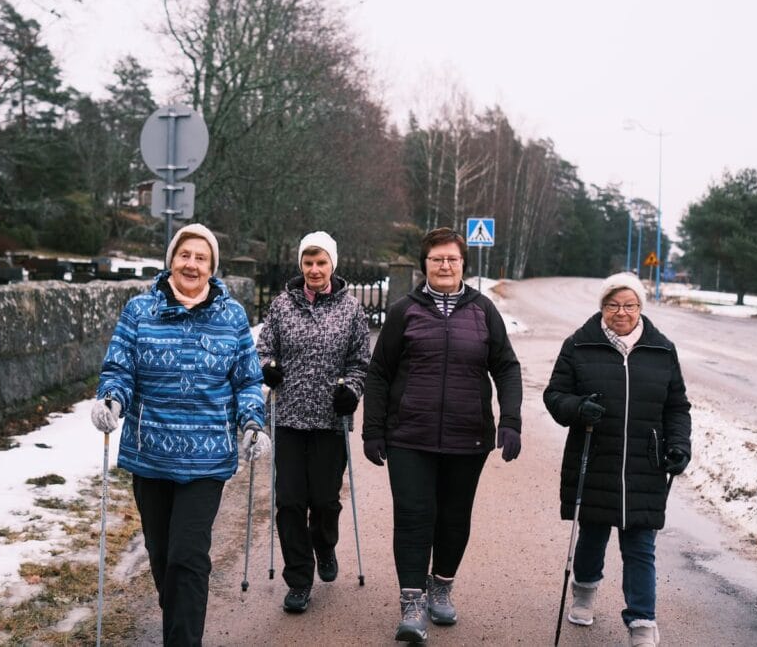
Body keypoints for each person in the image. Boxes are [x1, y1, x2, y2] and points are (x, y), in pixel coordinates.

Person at [90, 223, 269, 647]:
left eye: (201, 257)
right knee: (163, 555)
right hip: (150, 454)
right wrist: (111, 400)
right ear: (172, 259)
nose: (191, 263)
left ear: (212, 267)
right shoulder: (139, 311)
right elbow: (120, 369)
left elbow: (247, 380)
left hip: (207, 459)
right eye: (185, 254)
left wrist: (252, 423)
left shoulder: (232, 316)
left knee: (188, 558)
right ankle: (178, 619)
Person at [362, 227, 523, 643]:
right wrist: (373, 430)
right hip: (409, 437)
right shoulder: (404, 311)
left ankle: (442, 585)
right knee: (414, 517)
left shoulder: (484, 310)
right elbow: (379, 372)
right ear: (425, 265)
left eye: (452, 258)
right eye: (437, 259)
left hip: (467, 437)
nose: (445, 265)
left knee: (454, 518)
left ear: (463, 264)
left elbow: (506, 366)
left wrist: (511, 420)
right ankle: (412, 602)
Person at [543, 272, 691, 647]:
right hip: (595, 457)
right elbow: (554, 396)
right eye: (613, 305)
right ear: (602, 307)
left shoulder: (663, 349)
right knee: (592, 534)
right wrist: (578, 408)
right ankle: (585, 591)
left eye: (629, 305)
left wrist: (678, 445)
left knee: (640, 546)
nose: (621, 312)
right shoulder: (579, 345)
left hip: (647, 464)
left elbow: (677, 406)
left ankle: (642, 622)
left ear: (640, 307)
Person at [256, 230, 371, 613]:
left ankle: (324, 543)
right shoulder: (281, 306)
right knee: (290, 502)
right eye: (308, 262)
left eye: (321, 262)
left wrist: (352, 390)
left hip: (329, 420)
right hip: (288, 418)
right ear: (300, 265)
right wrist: (267, 369)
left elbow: (360, 362)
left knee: (324, 501)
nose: (314, 269)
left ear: (332, 264)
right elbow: (263, 350)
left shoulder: (352, 310)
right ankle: (299, 578)